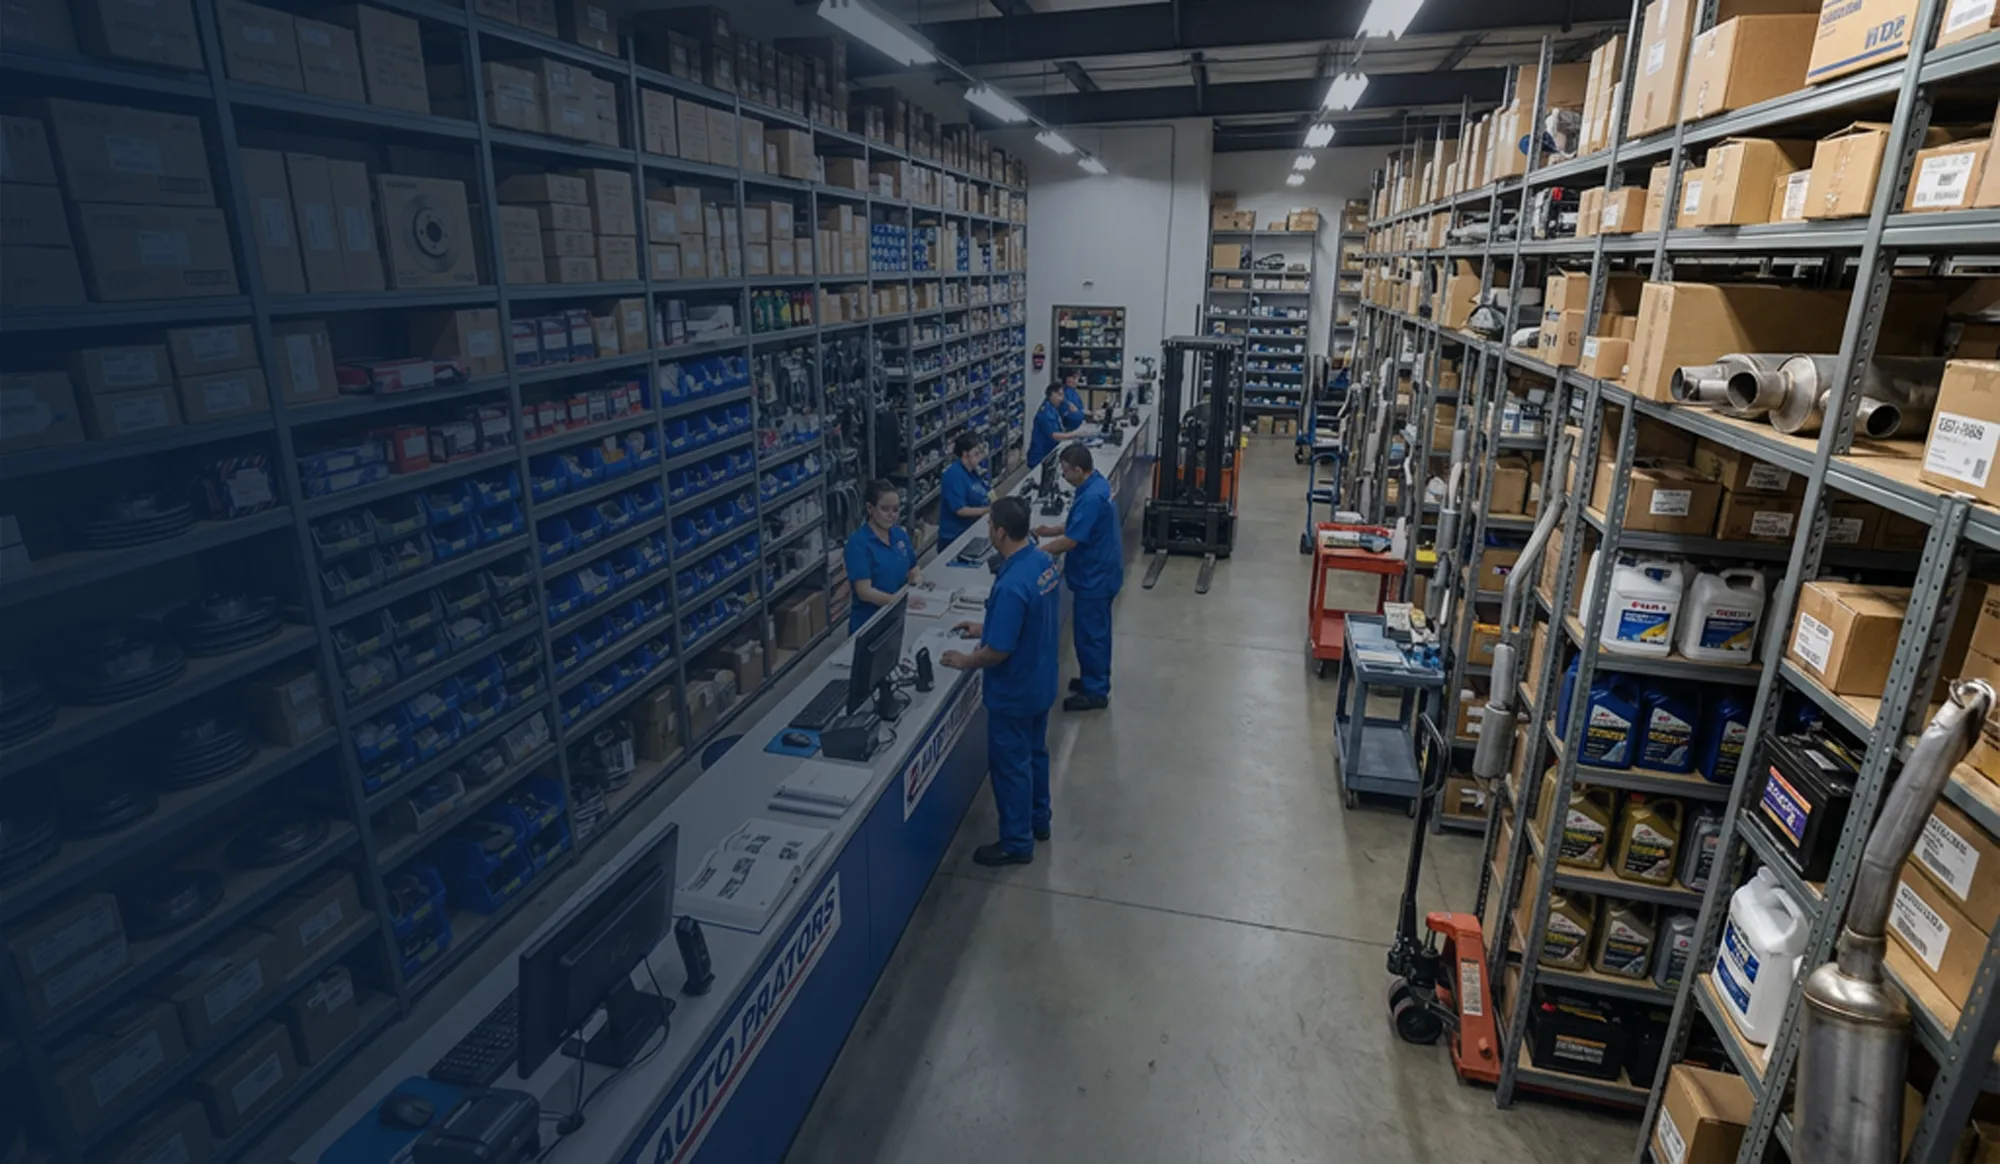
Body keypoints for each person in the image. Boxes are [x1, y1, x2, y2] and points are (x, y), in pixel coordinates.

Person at [940, 496, 1060, 865]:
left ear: (1001, 533)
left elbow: (998, 653)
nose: (988, 530)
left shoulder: (1010, 584)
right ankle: (1040, 821)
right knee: (1036, 754)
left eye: (990, 525)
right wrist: (985, 626)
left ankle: (1016, 842)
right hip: (1040, 680)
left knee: (1011, 768)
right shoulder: (1042, 562)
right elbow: (1028, 619)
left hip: (1014, 691)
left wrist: (966, 660)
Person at [1036, 443, 1124, 711]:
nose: (1062, 476)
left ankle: (1096, 691)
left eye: (1065, 472)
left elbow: (1073, 540)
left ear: (1078, 469)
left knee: (1091, 635)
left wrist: (1035, 552)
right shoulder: (1095, 484)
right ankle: (1093, 679)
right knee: (1095, 632)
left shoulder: (1090, 497)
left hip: (1095, 577)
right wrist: (1050, 530)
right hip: (1100, 570)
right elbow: (1079, 522)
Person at [842, 479, 920, 633]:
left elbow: (913, 567)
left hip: (898, 614)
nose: (891, 515)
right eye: (885, 509)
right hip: (870, 622)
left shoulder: (899, 534)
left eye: (896, 509)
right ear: (870, 508)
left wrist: (918, 581)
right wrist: (899, 602)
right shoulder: (858, 543)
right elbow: (864, 592)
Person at [937, 433, 990, 545]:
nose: (980, 456)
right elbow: (960, 510)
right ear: (965, 454)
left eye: (980, 452)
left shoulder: (973, 471)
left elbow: (986, 491)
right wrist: (987, 510)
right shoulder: (953, 475)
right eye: (976, 454)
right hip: (955, 538)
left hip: (973, 528)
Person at [1028, 382, 1087, 467]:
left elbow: (1070, 408)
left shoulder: (1053, 407)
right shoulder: (1045, 413)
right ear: (1052, 394)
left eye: (1063, 395)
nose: (1061, 398)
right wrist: (1075, 434)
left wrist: (1071, 406)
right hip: (1041, 457)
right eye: (1059, 395)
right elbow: (1055, 435)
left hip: (1050, 452)